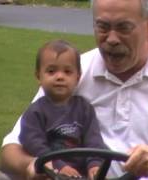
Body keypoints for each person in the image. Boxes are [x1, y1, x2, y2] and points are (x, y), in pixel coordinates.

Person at [0, 0, 148, 179]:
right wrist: (31, 167)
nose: (112, 39)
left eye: (124, 27)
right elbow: (10, 152)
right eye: (103, 27)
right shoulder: (73, 72)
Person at [18, 40, 106, 179]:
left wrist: (94, 164)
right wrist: (59, 166)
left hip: (82, 175)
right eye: (51, 71)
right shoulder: (35, 112)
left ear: (77, 77)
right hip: (51, 173)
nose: (60, 77)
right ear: (38, 76)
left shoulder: (84, 109)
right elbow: (35, 145)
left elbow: (93, 140)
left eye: (67, 71)